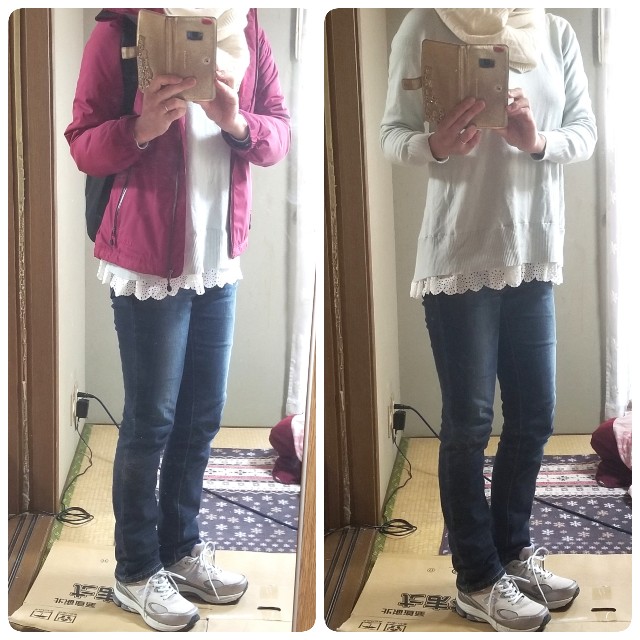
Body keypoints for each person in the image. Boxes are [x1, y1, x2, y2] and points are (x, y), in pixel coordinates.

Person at [65, 8, 290, 632]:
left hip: (217, 257)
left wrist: (235, 120)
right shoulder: (121, 28)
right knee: (151, 422)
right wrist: (141, 127)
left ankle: (180, 548)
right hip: (145, 258)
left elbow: (278, 134)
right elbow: (82, 141)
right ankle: (136, 570)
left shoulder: (245, 25)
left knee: (201, 417)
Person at [380, 8, 596, 633]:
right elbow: (391, 133)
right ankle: (476, 579)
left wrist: (536, 140)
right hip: (460, 254)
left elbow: (585, 131)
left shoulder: (553, 30)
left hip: (533, 252)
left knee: (534, 416)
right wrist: (436, 145)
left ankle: (511, 552)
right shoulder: (427, 23)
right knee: (469, 423)